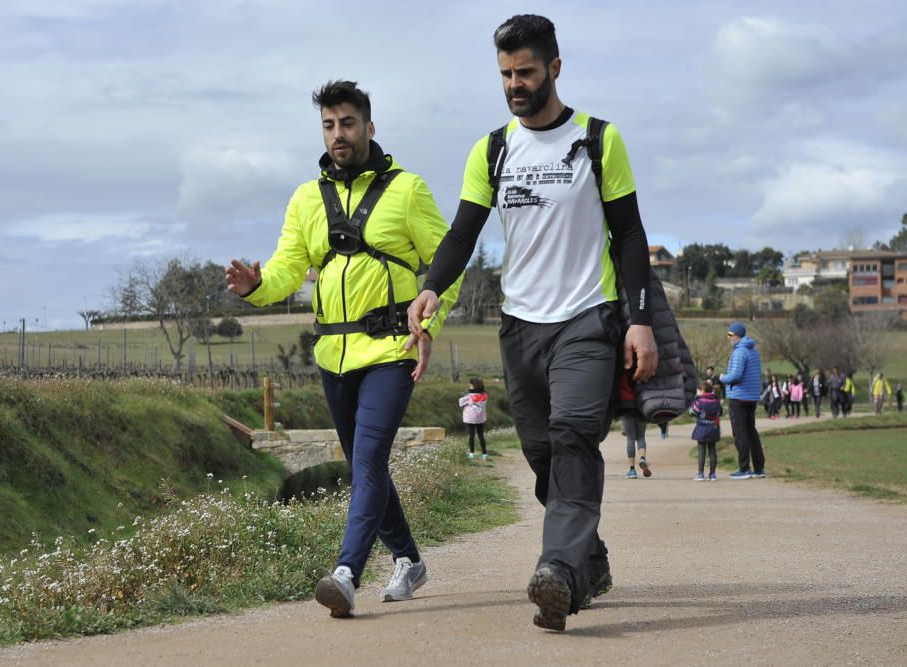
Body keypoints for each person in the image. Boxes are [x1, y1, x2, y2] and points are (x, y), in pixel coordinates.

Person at [406, 14, 658, 631]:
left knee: (573, 434)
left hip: (587, 319)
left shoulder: (599, 139)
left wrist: (640, 320)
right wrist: (432, 288)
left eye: (524, 72)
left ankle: (557, 572)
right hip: (520, 326)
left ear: (554, 68)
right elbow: (464, 230)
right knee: (543, 453)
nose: (514, 84)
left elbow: (628, 233)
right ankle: (588, 561)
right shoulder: (492, 149)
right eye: (505, 75)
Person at [226, 80, 461, 618]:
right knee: (365, 463)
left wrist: (430, 322)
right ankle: (408, 559)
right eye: (329, 125)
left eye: (348, 123)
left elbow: (448, 261)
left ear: (370, 128)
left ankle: (346, 572)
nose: (338, 134)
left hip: (391, 350)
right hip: (333, 355)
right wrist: (256, 288)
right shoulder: (306, 198)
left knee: (369, 457)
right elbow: (288, 266)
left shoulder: (408, 191)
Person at [719, 322, 765, 479]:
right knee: (751, 431)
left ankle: (744, 468)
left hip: (738, 396)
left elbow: (736, 375)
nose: (729, 338)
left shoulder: (739, 352)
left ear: (737, 335)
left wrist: (722, 378)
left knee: (740, 433)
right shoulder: (754, 351)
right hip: (751, 397)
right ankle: (759, 468)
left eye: (730, 335)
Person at [690, 380, 722, 481]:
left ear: (702, 390)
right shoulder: (716, 401)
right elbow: (720, 412)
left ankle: (700, 474)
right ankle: (712, 474)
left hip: (701, 429)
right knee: (712, 451)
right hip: (713, 428)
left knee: (701, 451)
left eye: (698, 391)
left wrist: (692, 409)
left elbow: (693, 412)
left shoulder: (699, 401)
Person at [459, 377, 489, 460]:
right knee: (481, 435)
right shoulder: (485, 395)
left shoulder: (469, 396)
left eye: (471, 385)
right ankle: (484, 454)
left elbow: (461, 403)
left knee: (471, 435)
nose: (469, 386)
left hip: (470, 418)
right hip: (480, 418)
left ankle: (472, 453)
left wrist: (463, 396)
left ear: (474, 386)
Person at [620, 415, 652, 479]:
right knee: (641, 437)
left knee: (630, 439)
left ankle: (632, 470)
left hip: (627, 412)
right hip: (640, 411)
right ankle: (642, 458)